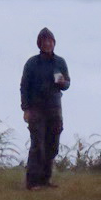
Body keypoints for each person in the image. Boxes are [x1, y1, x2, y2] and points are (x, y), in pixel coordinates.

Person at [20, 26, 70, 190]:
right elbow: (24, 86)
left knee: (52, 145)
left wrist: (63, 83)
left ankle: (45, 179)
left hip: (54, 109)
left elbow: (67, 84)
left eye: (50, 41)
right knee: (38, 145)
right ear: (39, 44)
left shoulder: (60, 62)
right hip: (36, 110)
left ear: (54, 43)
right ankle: (32, 181)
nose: (48, 44)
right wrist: (25, 109)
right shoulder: (32, 63)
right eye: (44, 42)